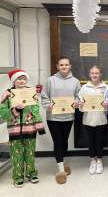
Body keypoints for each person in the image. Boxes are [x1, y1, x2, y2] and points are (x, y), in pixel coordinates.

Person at [0, 69, 45, 188]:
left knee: (30, 153)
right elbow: (2, 113)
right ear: (14, 80)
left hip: (30, 128)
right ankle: (18, 176)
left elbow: (35, 110)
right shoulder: (7, 93)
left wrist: (39, 126)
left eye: (24, 78)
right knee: (16, 154)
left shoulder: (31, 92)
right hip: (14, 130)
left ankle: (31, 173)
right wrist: (16, 110)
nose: (22, 81)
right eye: (19, 78)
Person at [41, 56, 81, 184]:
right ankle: (60, 170)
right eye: (61, 65)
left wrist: (76, 103)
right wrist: (48, 106)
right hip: (53, 117)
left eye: (66, 65)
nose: (64, 67)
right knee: (58, 141)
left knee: (64, 142)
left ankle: (62, 162)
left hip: (68, 117)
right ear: (57, 66)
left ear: (70, 66)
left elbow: (78, 97)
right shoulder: (50, 80)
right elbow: (44, 96)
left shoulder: (75, 81)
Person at [78, 66, 108, 175]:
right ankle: (92, 160)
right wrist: (80, 104)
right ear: (90, 74)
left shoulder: (106, 87)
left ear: (100, 74)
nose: (94, 75)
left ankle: (99, 160)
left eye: (97, 73)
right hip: (88, 119)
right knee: (90, 141)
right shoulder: (85, 87)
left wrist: (106, 105)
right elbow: (79, 103)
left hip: (101, 119)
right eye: (92, 73)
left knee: (99, 141)